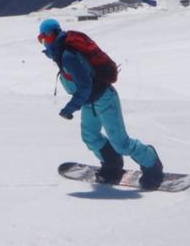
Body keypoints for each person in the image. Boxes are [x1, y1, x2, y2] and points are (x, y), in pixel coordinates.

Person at [38, 18, 164, 189]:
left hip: (104, 98)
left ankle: (152, 165)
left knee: (121, 143)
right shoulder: (61, 53)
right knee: (90, 136)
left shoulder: (67, 56)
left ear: (52, 36)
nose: (43, 43)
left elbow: (85, 86)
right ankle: (112, 165)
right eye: (41, 39)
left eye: (44, 38)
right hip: (90, 101)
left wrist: (70, 108)